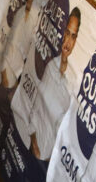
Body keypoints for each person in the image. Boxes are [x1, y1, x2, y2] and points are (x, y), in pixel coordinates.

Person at [24, 9, 80, 161]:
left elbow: (65, 129)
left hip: (48, 162)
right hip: (32, 148)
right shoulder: (50, 67)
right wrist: (34, 141)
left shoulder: (73, 82)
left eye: (73, 36)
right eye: (67, 33)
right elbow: (35, 107)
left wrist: (51, 158)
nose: (68, 41)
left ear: (76, 41)